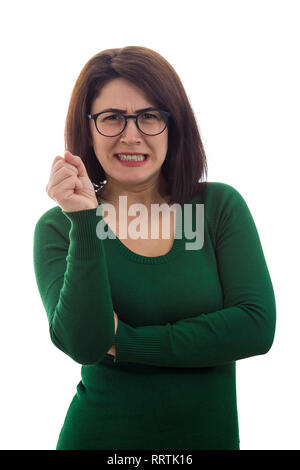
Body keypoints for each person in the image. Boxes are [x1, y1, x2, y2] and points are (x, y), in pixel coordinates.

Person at [33, 46, 276, 450]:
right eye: (112, 118)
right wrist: (85, 221)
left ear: (173, 126)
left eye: (149, 117)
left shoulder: (218, 208)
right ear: (88, 130)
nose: (131, 135)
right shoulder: (60, 228)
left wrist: (125, 342)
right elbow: (86, 343)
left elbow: (255, 326)